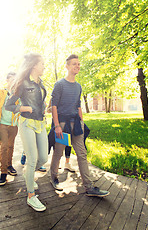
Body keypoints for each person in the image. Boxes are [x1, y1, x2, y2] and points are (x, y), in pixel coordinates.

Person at [49, 54, 110, 197]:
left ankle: (89, 187)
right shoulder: (59, 85)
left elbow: (78, 106)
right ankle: (54, 178)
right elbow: (54, 106)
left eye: (78, 64)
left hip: (76, 124)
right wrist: (57, 125)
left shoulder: (78, 86)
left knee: (82, 154)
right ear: (67, 66)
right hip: (62, 124)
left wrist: (81, 122)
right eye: (74, 64)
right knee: (58, 153)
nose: (77, 66)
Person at [5, 53, 48, 212]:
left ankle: (28, 174)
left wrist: (44, 109)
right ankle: (31, 196)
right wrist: (23, 108)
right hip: (26, 123)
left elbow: (39, 102)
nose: (44, 66)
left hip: (40, 123)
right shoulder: (22, 83)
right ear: (34, 65)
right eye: (42, 63)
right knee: (32, 159)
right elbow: (8, 106)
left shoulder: (41, 83)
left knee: (43, 157)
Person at [0, 72, 19, 186]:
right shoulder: (0, 92)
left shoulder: (17, 94)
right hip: (2, 124)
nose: (14, 82)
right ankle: (3, 172)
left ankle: (9, 165)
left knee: (11, 146)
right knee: (4, 147)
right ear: (7, 80)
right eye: (12, 79)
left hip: (13, 125)